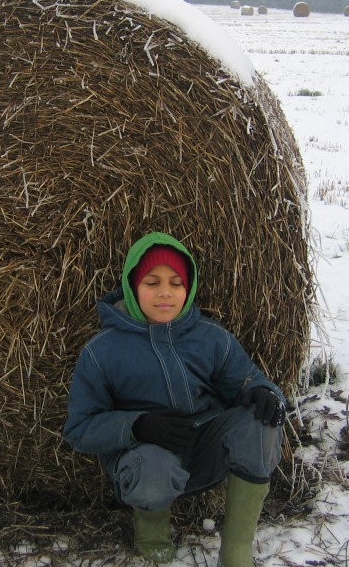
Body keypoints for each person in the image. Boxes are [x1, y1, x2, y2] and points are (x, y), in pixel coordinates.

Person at [64, 231, 286, 566]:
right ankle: (152, 538)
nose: (165, 293)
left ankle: (237, 548)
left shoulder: (210, 337)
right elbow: (79, 428)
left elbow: (247, 379)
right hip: (146, 462)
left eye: (176, 283)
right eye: (152, 282)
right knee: (154, 465)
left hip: (206, 449)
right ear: (132, 286)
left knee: (261, 420)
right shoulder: (102, 352)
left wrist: (264, 392)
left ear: (189, 288)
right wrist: (138, 426)